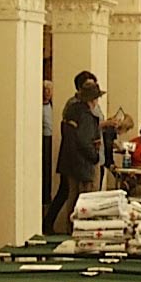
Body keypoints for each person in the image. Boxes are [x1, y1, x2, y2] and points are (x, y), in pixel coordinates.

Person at [44, 71, 103, 234]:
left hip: (73, 162)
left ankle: (72, 229)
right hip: (83, 163)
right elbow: (84, 140)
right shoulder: (84, 114)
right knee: (84, 199)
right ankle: (80, 230)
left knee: (73, 196)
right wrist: (94, 155)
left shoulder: (74, 110)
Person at [41, 80, 55, 208]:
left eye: (49, 91)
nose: (47, 93)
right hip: (43, 139)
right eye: (45, 90)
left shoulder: (52, 105)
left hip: (51, 137)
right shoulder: (39, 107)